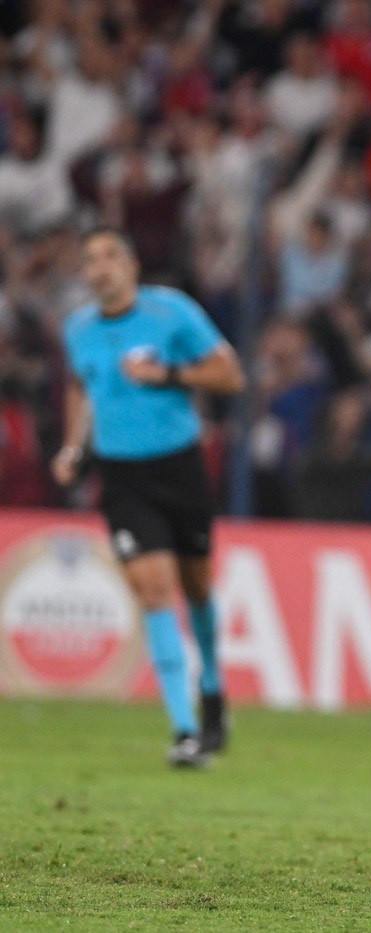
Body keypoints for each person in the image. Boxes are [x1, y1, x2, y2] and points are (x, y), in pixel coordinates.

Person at [54, 227, 246, 768]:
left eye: (111, 255)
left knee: (197, 587)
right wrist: (73, 446)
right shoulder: (77, 330)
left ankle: (212, 686)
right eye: (90, 259)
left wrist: (167, 375)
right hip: (121, 476)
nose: (100, 267)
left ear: (133, 265)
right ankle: (185, 730)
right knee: (154, 589)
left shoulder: (171, 313)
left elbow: (231, 375)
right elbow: (77, 385)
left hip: (179, 468)